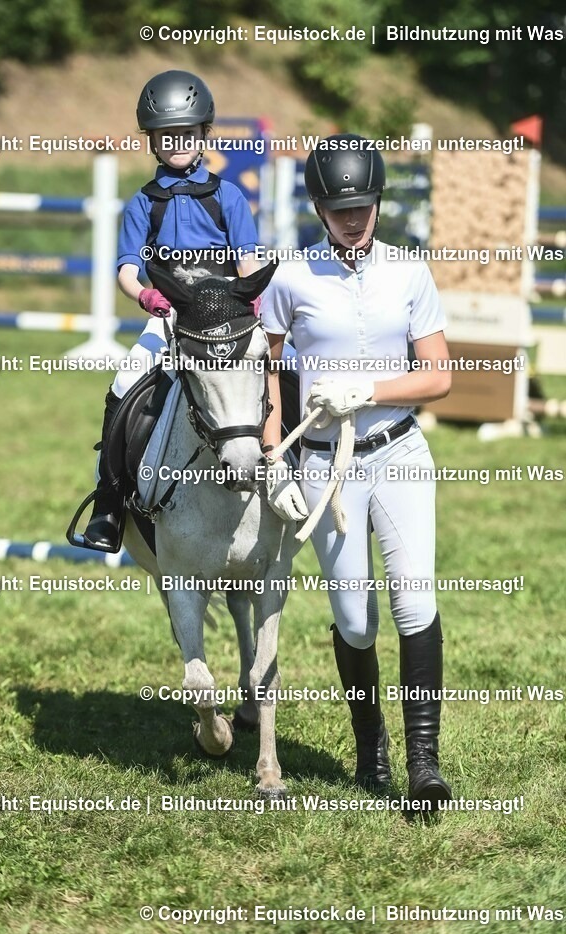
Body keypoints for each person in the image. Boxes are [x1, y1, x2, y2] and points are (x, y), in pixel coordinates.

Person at [261, 134, 454, 809]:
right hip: (324, 466)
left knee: (414, 602)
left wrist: (367, 391)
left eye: (363, 206)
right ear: (317, 205)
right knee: (353, 621)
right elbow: (270, 374)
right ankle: (368, 743)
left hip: (399, 452)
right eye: (339, 208)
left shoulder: (408, 272)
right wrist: (270, 459)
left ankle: (423, 764)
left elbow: (438, 376)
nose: (353, 219)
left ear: (378, 201)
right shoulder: (289, 278)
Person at [82, 69, 260, 551]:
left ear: (203, 133)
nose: (176, 141)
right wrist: (143, 294)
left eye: (186, 132)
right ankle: (108, 503)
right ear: (153, 141)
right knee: (123, 385)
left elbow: (248, 257)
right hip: (168, 319)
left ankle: (282, 478)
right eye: (166, 135)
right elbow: (125, 268)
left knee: (269, 375)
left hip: (224, 317)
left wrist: (251, 295)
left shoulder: (229, 197)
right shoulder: (144, 201)